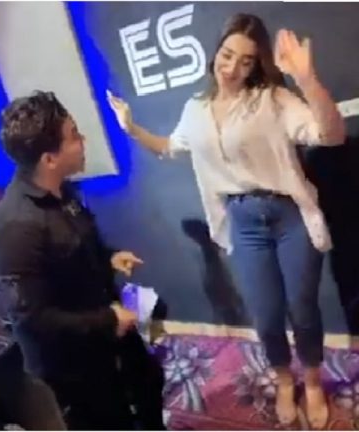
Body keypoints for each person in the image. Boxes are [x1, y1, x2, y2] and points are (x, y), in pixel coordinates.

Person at [107, 14, 346, 429]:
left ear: (257, 65)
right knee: (266, 316)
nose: (233, 67)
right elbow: (170, 146)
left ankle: (311, 381)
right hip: (243, 223)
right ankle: (284, 379)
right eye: (227, 54)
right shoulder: (195, 109)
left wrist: (307, 80)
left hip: (288, 216)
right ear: (215, 51)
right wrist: (131, 128)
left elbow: (331, 135)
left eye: (246, 61)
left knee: (303, 308)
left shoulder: (272, 99)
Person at [0, 91, 166, 430]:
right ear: (49, 159)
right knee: (110, 421)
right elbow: (32, 318)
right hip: (70, 359)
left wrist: (108, 257)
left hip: (105, 321)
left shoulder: (61, 189)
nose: (83, 141)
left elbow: (76, 245)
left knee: (148, 382)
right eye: (73, 136)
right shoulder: (16, 226)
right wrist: (107, 321)